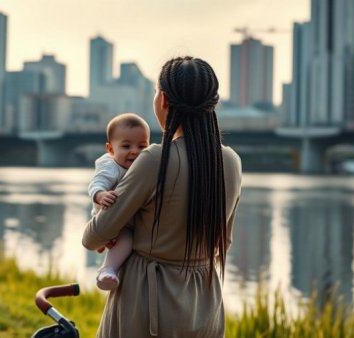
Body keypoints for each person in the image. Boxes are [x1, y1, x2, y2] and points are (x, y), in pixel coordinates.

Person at [82, 56, 242, 337]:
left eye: (157, 92)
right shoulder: (231, 161)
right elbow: (223, 241)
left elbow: (95, 236)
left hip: (146, 302)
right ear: (212, 103)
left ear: (163, 100)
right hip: (203, 303)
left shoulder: (155, 158)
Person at [88, 112, 151, 291]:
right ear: (110, 149)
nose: (134, 151)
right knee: (127, 239)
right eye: (126, 146)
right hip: (109, 216)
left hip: (127, 216)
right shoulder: (110, 166)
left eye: (142, 146)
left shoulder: (143, 165)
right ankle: (107, 269)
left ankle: (103, 246)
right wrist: (100, 195)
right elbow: (96, 183)